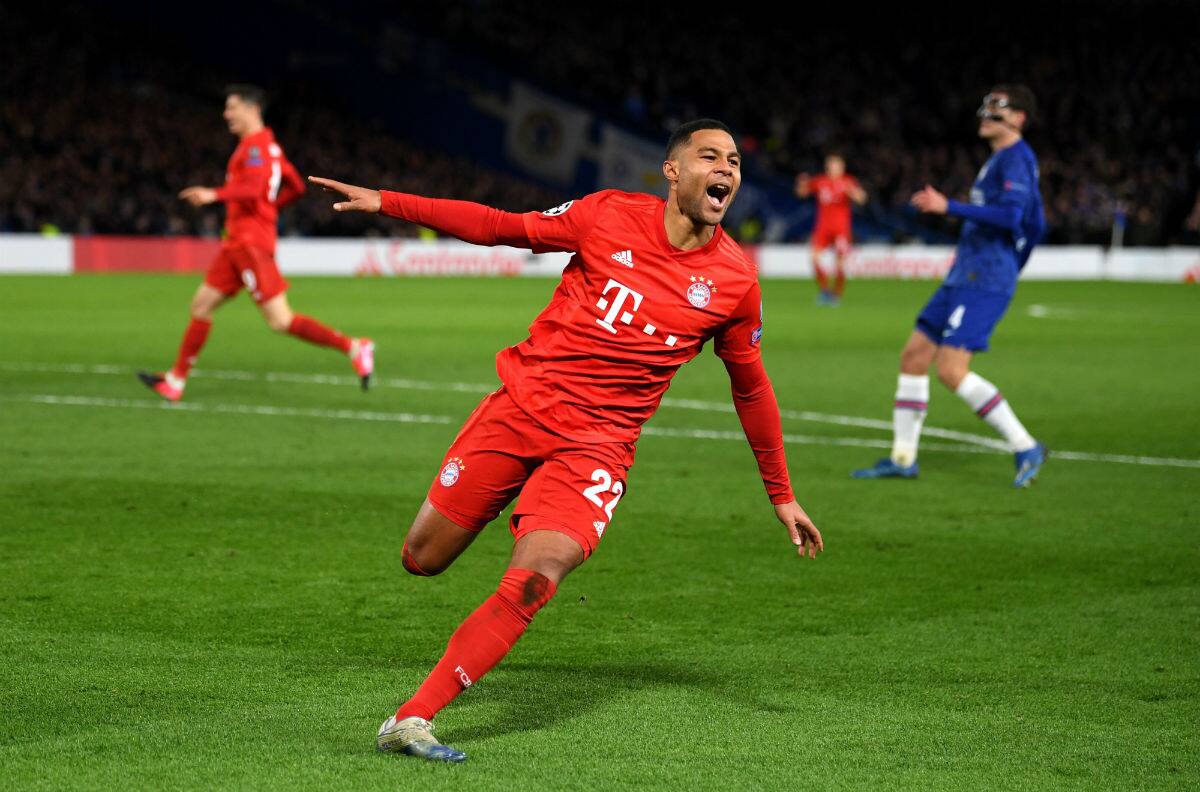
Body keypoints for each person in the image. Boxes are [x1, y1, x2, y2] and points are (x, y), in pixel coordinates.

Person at [310, 119, 824, 763]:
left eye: (735, 161)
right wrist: (389, 201)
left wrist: (781, 493)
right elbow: (501, 226)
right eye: (710, 156)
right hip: (520, 410)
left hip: (597, 449)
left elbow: (751, 388)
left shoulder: (734, 281)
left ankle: (412, 717)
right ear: (672, 171)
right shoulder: (607, 215)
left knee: (538, 574)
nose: (726, 168)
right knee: (423, 557)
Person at [852, 85, 1047, 487]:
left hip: (985, 276)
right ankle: (903, 459)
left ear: (1019, 118)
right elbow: (1036, 222)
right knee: (914, 356)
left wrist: (950, 208)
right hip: (966, 273)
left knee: (951, 369)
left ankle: (1025, 445)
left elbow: (1014, 218)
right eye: (986, 106)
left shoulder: (1016, 159)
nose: (986, 113)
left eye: (998, 108)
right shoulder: (1000, 160)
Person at [138, 85, 373, 401]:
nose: (226, 115)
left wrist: (214, 194)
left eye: (232, 108)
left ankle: (355, 347)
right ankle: (176, 381)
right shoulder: (271, 148)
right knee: (201, 307)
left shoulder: (255, 149)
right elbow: (295, 186)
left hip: (249, 244)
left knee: (280, 320)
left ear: (252, 109)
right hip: (237, 243)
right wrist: (270, 209)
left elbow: (254, 188)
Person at [794, 154, 867, 305]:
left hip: (841, 229)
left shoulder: (848, 181)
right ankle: (825, 291)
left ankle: (836, 295)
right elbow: (801, 193)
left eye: (838, 166)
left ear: (843, 167)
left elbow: (862, 199)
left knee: (840, 263)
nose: (836, 168)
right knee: (814, 258)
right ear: (828, 167)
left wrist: (853, 192)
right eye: (833, 165)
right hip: (823, 228)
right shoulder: (820, 181)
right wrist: (801, 183)